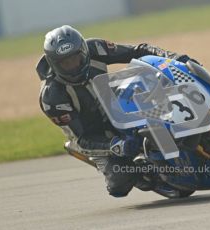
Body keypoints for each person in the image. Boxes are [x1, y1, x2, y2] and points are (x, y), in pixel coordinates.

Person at [36, 25, 195, 197]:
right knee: (119, 185)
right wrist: (114, 145)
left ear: (83, 50)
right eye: (66, 64)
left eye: (76, 59)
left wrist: (172, 58)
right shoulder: (52, 97)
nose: (73, 66)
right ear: (53, 64)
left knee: (156, 100)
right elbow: (82, 139)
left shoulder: (95, 48)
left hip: (116, 106)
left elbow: (138, 50)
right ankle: (143, 177)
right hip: (93, 135)